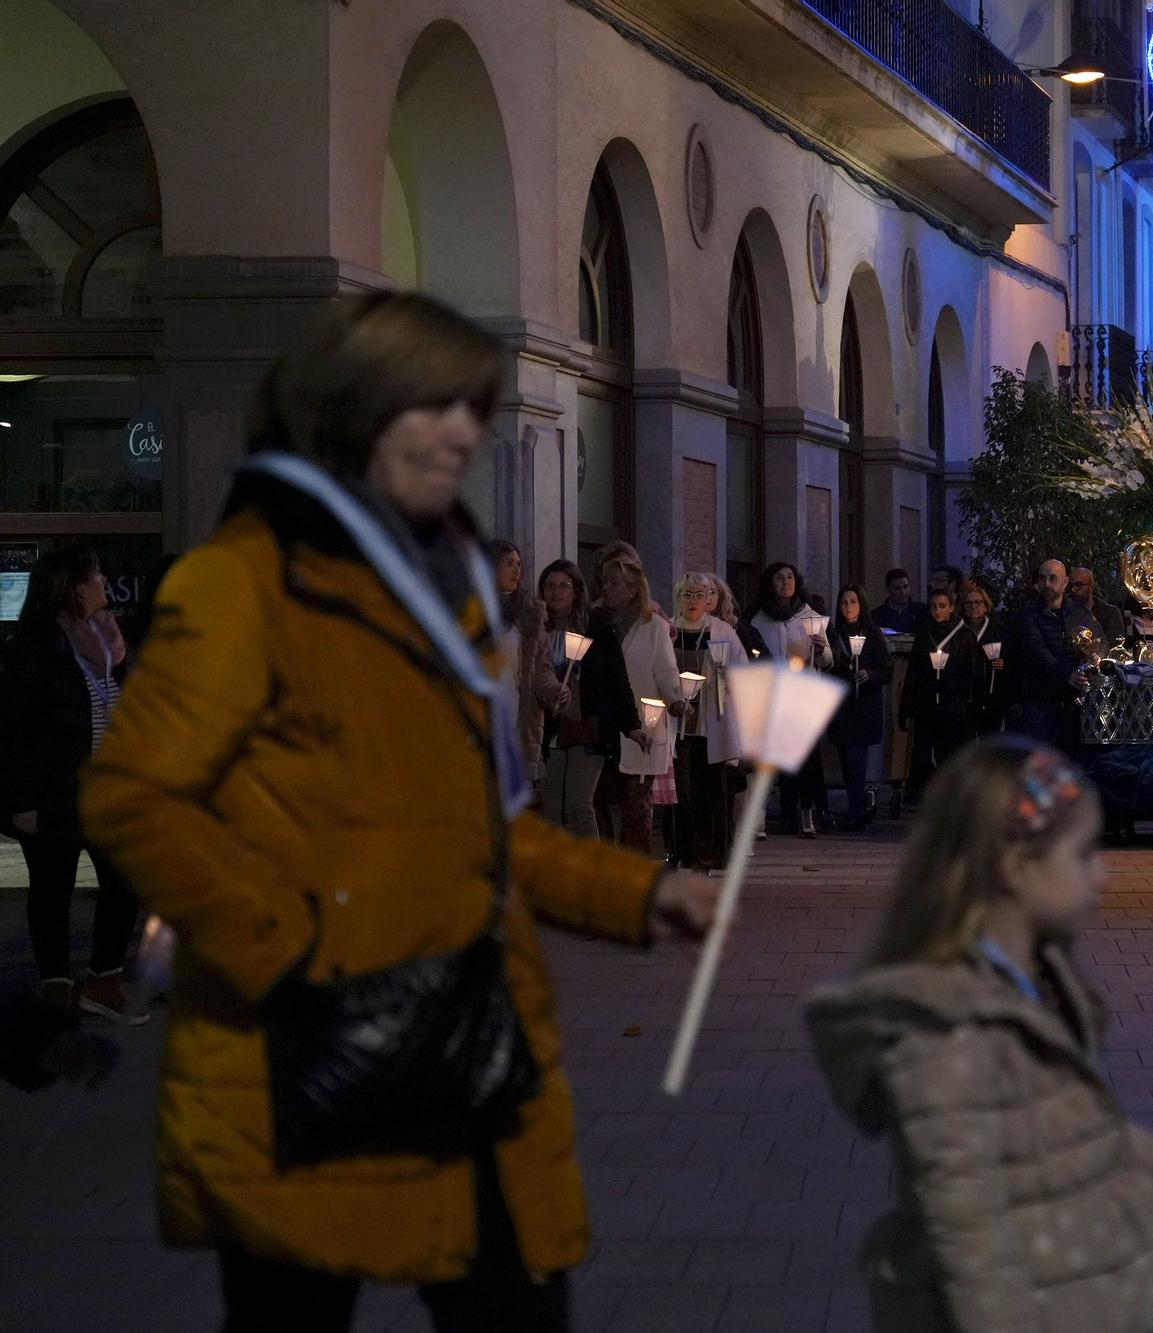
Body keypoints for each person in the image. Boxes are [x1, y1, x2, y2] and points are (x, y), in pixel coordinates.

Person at [76, 292, 715, 1328]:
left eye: (467, 409)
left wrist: (637, 893)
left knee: (513, 1299)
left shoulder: (443, 597)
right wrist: (286, 944)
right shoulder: (240, 587)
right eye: (432, 409)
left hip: (464, 1039)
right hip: (308, 1060)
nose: (462, 433)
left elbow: (482, 825)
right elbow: (136, 793)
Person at [804, 739, 1153, 1331]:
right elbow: (972, 1242)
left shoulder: (1039, 982)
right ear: (1015, 867)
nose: (1103, 876)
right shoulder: (949, 1034)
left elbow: (1064, 1128)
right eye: (1084, 855)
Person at [0, 545, 143, 1021]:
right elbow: (15, 729)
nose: (105, 583)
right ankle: (59, 984)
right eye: (98, 577)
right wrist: (23, 800)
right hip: (54, 790)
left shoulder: (107, 639)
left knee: (124, 883)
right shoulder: (36, 645)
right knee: (52, 888)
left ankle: (102, 980)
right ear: (76, 588)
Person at [538, 559, 643, 840]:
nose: (556, 592)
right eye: (549, 586)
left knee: (578, 803)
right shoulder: (537, 629)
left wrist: (631, 724)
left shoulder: (595, 625)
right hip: (551, 728)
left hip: (590, 727)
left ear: (576, 591)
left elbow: (617, 680)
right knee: (551, 807)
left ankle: (593, 873)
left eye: (564, 585)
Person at [594, 542, 678, 855]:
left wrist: (678, 700)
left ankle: (636, 870)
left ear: (632, 588)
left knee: (636, 805)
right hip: (604, 725)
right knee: (597, 800)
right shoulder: (595, 621)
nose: (607, 588)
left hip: (643, 724)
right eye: (605, 581)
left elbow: (666, 672)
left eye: (614, 582)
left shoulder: (653, 626)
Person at [671, 571, 748, 873]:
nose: (693, 601)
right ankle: (681, 852)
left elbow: (742, 669)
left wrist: (730, 677)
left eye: (699, 595)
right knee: (680, 792)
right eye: (687, 594)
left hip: (710, 722)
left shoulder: (722, 632)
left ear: (709, 600)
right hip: (676, 722)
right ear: (678, 597)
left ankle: (711, 853)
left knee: (710, 792)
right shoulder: (668, 630)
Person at [751, 561, 834, 837]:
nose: (786, 582)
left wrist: (821, 649)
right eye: (779, 578)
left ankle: (806, 812)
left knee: (805, 759)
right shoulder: (759, 619)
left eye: (789, 577)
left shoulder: (809, 616)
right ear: (770, 584)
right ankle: (777, 816)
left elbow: (828, 658)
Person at [902, 586, 979, 807]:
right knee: (923, 756)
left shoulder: (963, 635)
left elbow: (970, 672)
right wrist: (906, 708)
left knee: (949, 755)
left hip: (952, 706)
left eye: (942, 606)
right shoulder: (925, 633)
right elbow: (914, 671)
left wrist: (961, 695)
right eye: (934, 607)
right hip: (926, 706)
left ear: (952, 608)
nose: (938, 611)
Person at [489, 539, 558, 786]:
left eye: (519, 564)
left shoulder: (529, 614)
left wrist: (553, 690)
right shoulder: (474, 608)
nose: (517, 570)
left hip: (517, 714)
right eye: (509, 564)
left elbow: (542, 667)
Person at [827, 585, 892, 830]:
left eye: (853, 601)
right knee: (847, 761)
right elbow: (829, 664)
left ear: (861, 604)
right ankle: (855, 806)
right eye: (844, 602)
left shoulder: (873, 634)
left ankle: (856, 810)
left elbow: (886, 669)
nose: (848, 607)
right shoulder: (835, 634)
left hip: (863, 707)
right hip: (843, 707)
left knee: (856, 759)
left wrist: (869, 674)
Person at [1014, 558, 1095, 752]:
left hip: (1073, 700)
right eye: (1042, 579)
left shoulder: (1079, 612)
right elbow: (1037, 650)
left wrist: (1092, 665)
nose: (1047, 584)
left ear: (1065, 582)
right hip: (1041, 699)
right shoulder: (1027, 614)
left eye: (1052, 578)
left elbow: (1099, 640)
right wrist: (1067, 674)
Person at [960, 578, 1008, 736]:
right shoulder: (959, 632)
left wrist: (1004, 663)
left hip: (991, 698)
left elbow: (1010, 658)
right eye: (969, 603)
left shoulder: (998, 630)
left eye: (978, 602)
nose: (973, 606)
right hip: (966, 698)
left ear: (986, 606)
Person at [1069, 564, 1126, 642]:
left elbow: (1115, 644)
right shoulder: (1066, 612)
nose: (1073, 590)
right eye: (1071, 585)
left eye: (1078, 585)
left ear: (1091, 586)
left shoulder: (1110, 613)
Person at [874, 567, 919, 634]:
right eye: (897, 588)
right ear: (888, 589)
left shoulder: (921, 612)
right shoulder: (877, 616)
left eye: (905, 587)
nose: (903, 592)